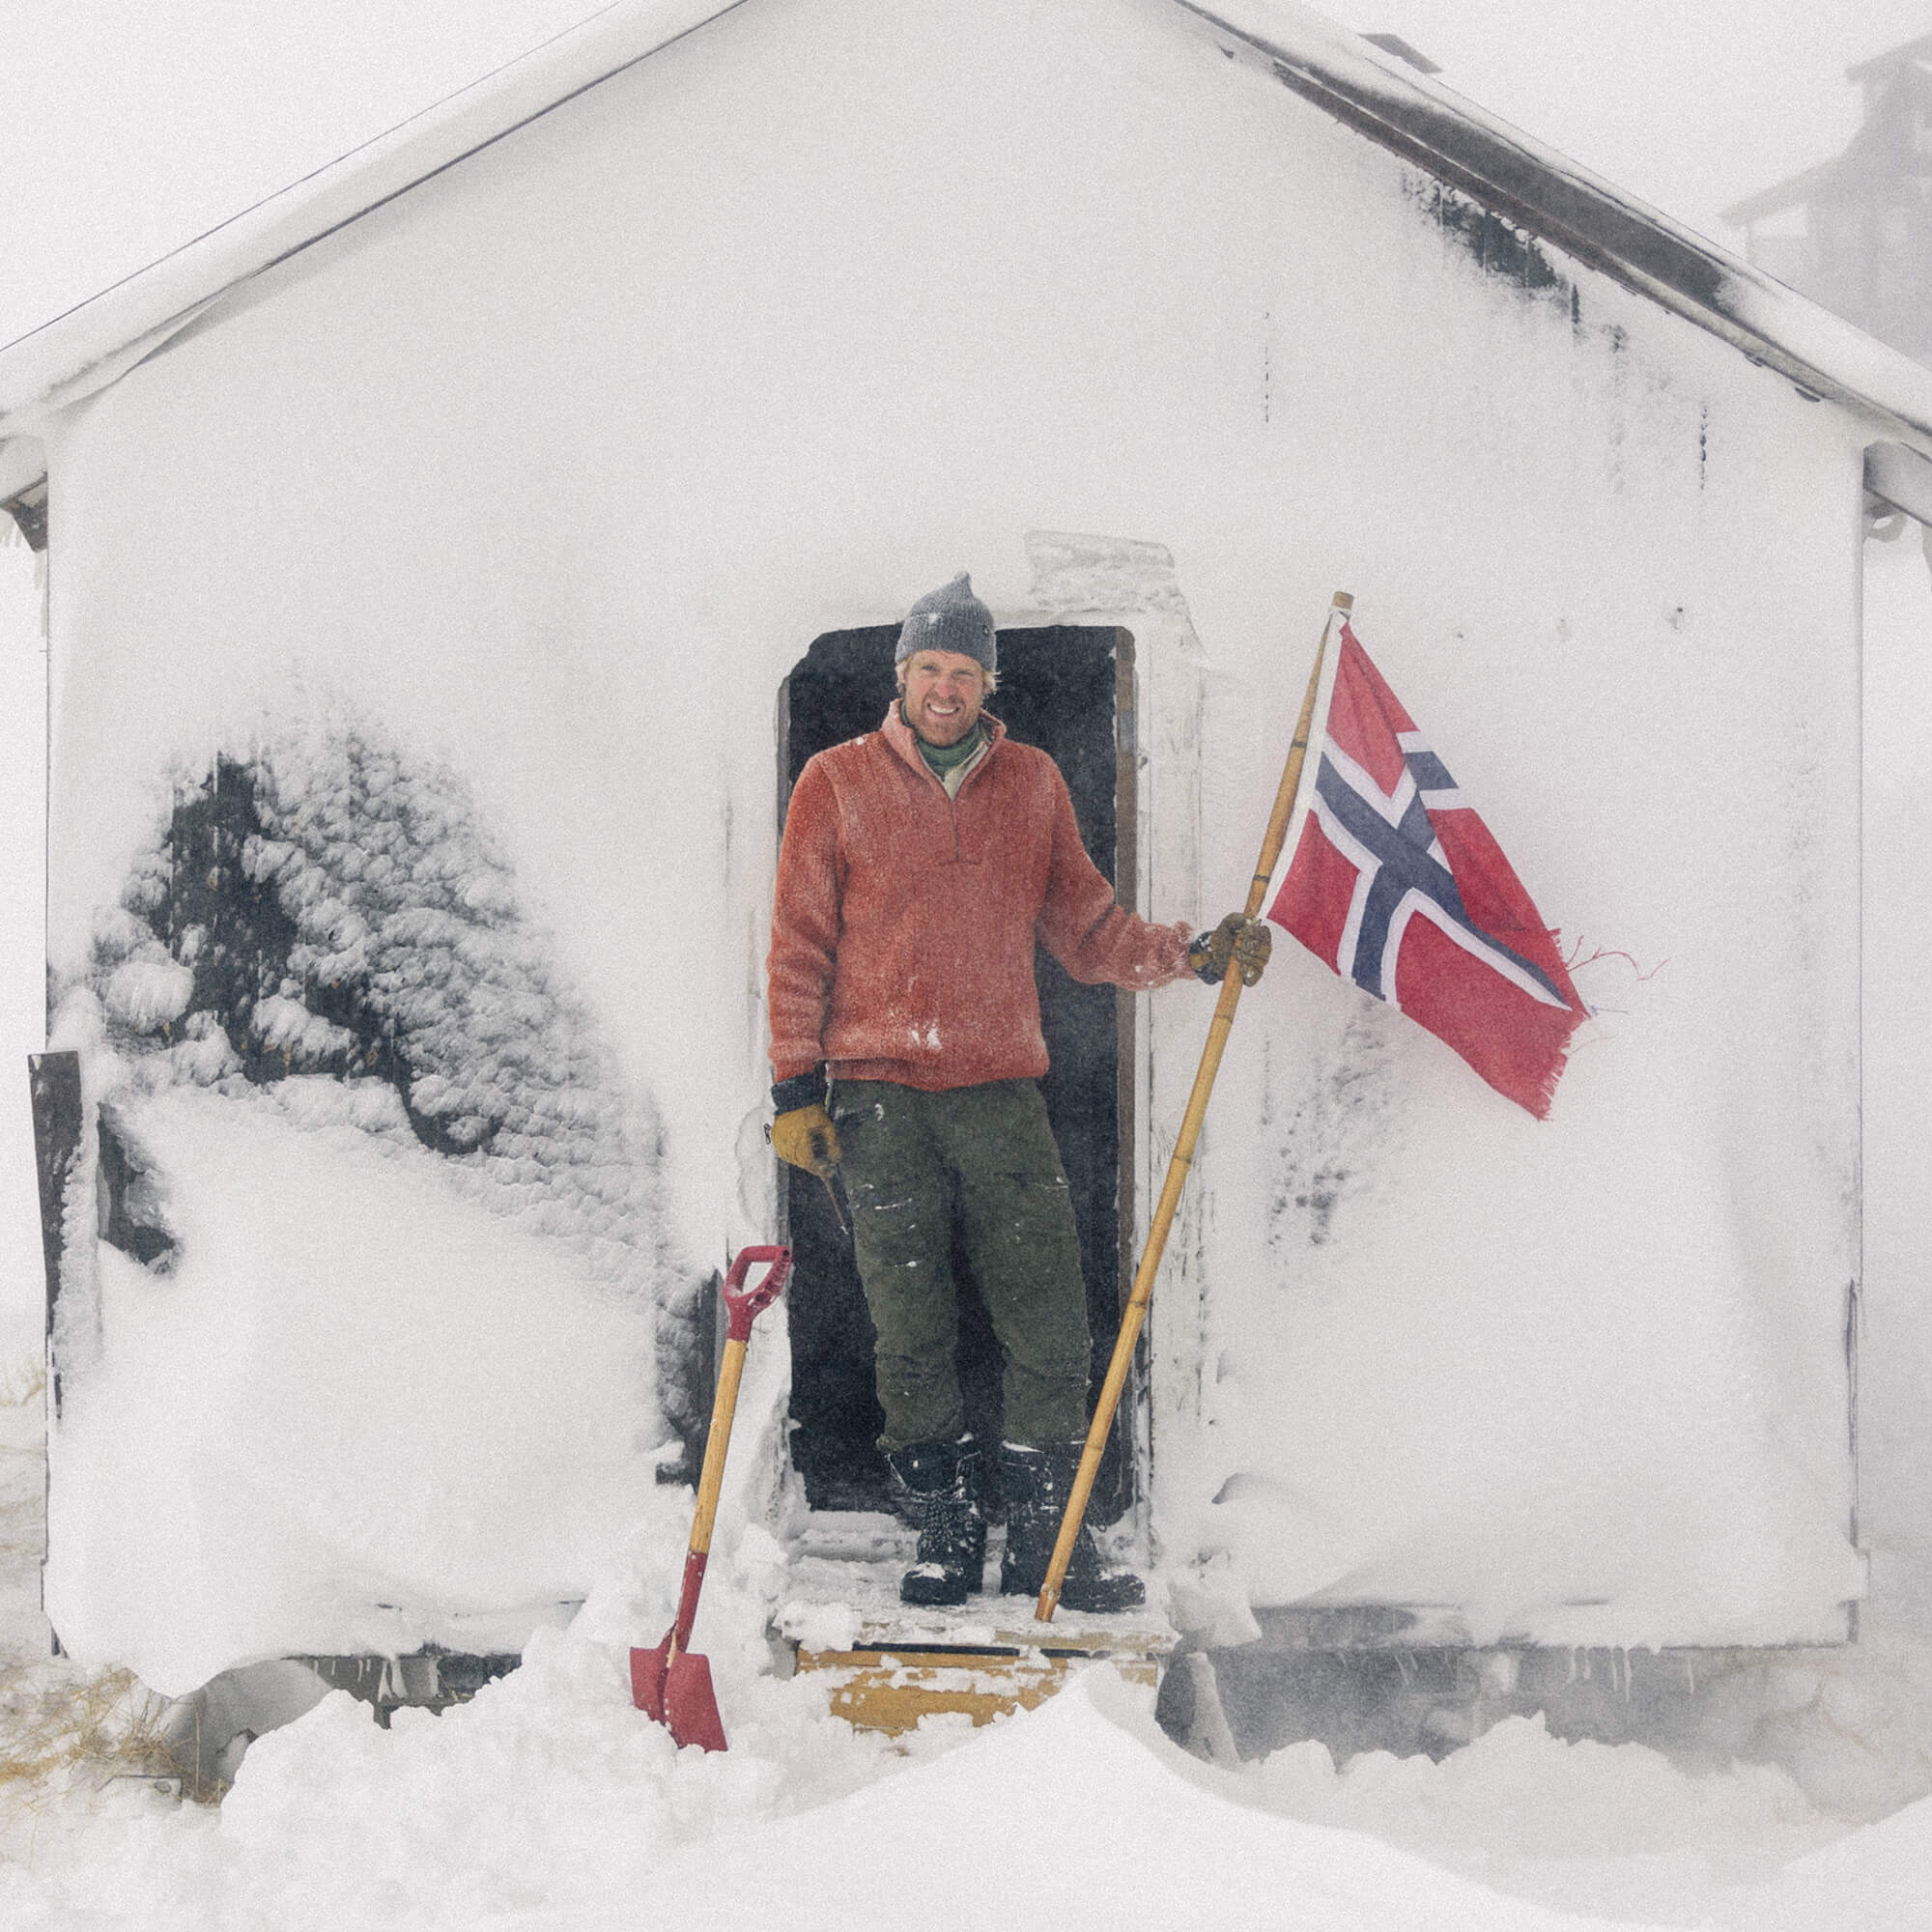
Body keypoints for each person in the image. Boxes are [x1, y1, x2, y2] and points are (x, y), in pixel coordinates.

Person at [767, 573, 1269, 1612]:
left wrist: (1192, 953)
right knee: (909, 1325)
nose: (943, 687)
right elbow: (796, 944)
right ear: (898, 674)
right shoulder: (834, 780)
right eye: (927, 669)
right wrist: (792, 1089)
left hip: (999, 1092)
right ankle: (943, 1534)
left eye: (961, 670)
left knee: (1046, 1320)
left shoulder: (1032, 782)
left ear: (987, 681)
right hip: (876, 1098)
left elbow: (1088, 931)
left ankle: (1048, 1540)